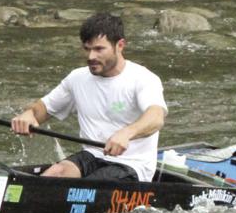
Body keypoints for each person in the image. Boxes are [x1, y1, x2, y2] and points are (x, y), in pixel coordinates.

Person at [10, 13, 167, 181]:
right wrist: (29, 115)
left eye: (99, 49)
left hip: (132, 164)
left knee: (87, 187)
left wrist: (127, 133)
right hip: (92, 156)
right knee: (54, 174)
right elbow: (42, 109)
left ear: (120, 46)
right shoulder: (77, 78)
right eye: (87, 49)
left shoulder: (143, 79)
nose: (91, 57)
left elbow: (156, 117)